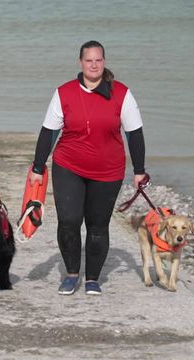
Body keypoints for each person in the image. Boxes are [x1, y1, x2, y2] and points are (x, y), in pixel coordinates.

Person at [28, 40, 146, 296]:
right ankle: (71, 274)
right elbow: (48, 132)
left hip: (108, 170)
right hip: (68, 165)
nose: (94, 64)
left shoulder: (122, 93)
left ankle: (92, 278)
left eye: (99, 60)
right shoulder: (64, 92)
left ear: (104, 62)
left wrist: (139, 170)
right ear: (81, 62)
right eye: (89, 60)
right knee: (69, 221)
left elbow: (134, 133)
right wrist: (37, 167)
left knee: (97, 225)